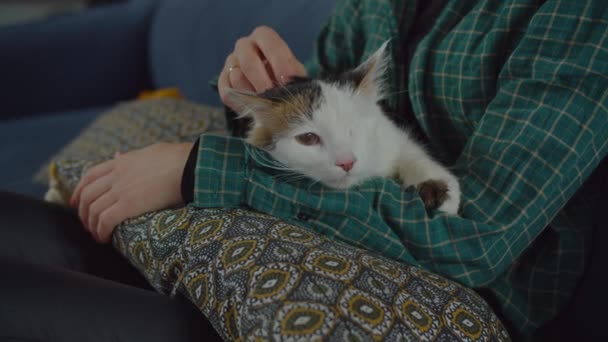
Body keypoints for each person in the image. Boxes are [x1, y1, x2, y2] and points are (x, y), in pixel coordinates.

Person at [2, 0, 607, 341]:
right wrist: (259, 96)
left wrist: (203, 169)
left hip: (458, 286)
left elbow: (476, 239)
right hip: (326, 221)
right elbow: (311, 118)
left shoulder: (576, 18)